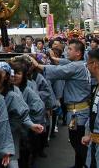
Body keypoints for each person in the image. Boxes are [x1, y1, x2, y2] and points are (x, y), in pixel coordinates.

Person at [30, 39, 91, 168]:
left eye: (70, 49)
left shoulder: (75, 66)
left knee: (77, 141)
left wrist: (36, 64)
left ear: (78, 53)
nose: (66, 50)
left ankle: (86, 164)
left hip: (77, 112)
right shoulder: (81, 64)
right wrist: (52, 57)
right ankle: (78, 165)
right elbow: (64, 62)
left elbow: (57, 71)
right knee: (78, 141)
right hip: (80, 110)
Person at [0, 61, 44, 168]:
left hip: (10, 133)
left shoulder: (13, 93)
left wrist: (31, 124)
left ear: (6, 76)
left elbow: (22, 113)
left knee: (11, 161)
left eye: (0, 73)